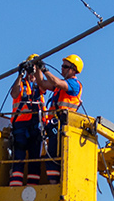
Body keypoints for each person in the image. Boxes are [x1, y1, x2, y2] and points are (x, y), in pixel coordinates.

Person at [35, 53, 83, 184]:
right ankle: (53, 182)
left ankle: (55, 183)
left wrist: (45, 69)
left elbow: (55, 82)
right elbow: (42, 83)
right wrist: (37, 69)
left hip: (63, 126)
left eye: (65, 66)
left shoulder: (74, 84)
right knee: (51, 155)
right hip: (54, 126)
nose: (61, 68)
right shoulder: (60, 87)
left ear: (73, 69)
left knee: (54, 155)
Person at [7, 58, 45, 187]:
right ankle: (16, 184)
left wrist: (39, 69)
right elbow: (14, 93)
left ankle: (32, 185)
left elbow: (45, 86)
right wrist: (20, 74)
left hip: (36, 125)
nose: (32, 74)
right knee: (19, 156)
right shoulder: (21, 84)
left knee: (35, 158)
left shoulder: (39, 86)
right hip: (21, 126)